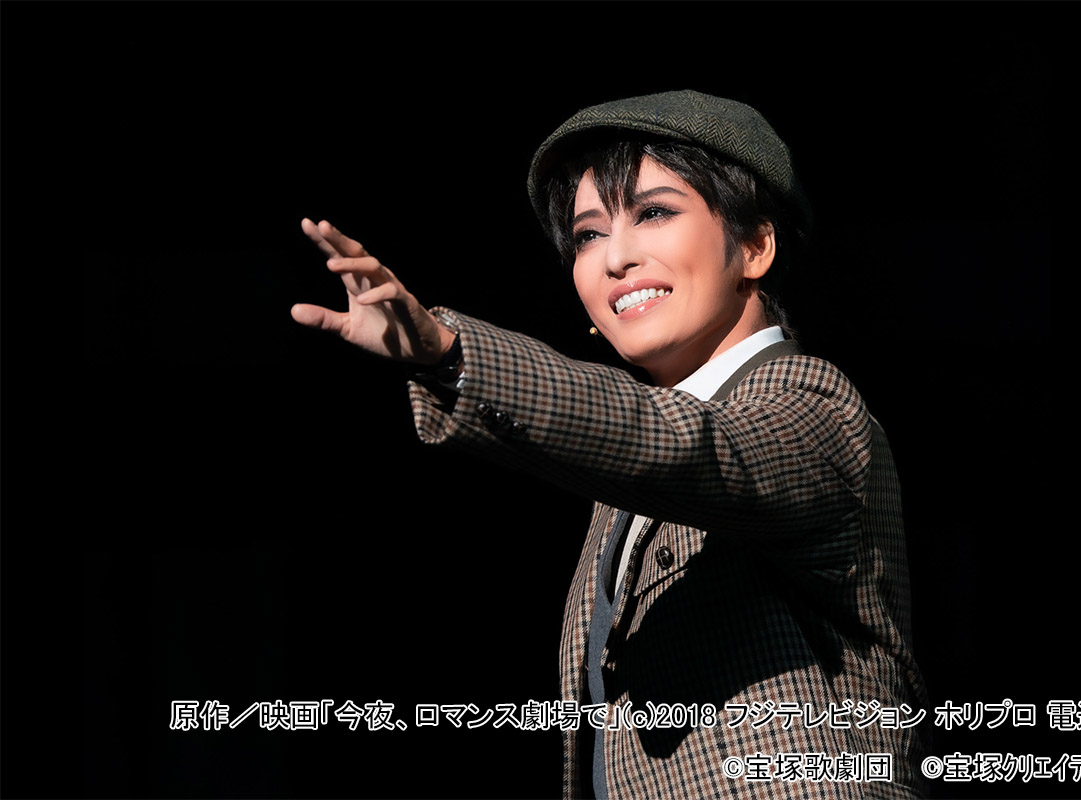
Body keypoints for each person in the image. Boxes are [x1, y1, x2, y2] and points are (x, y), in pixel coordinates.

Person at [291, 90, 930, 799]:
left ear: (754, 245)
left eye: (654, 213)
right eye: (588, 235)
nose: (615, 257)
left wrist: (452, 354)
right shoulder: (621, 486)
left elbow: (690, 446)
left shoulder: (812, 404)